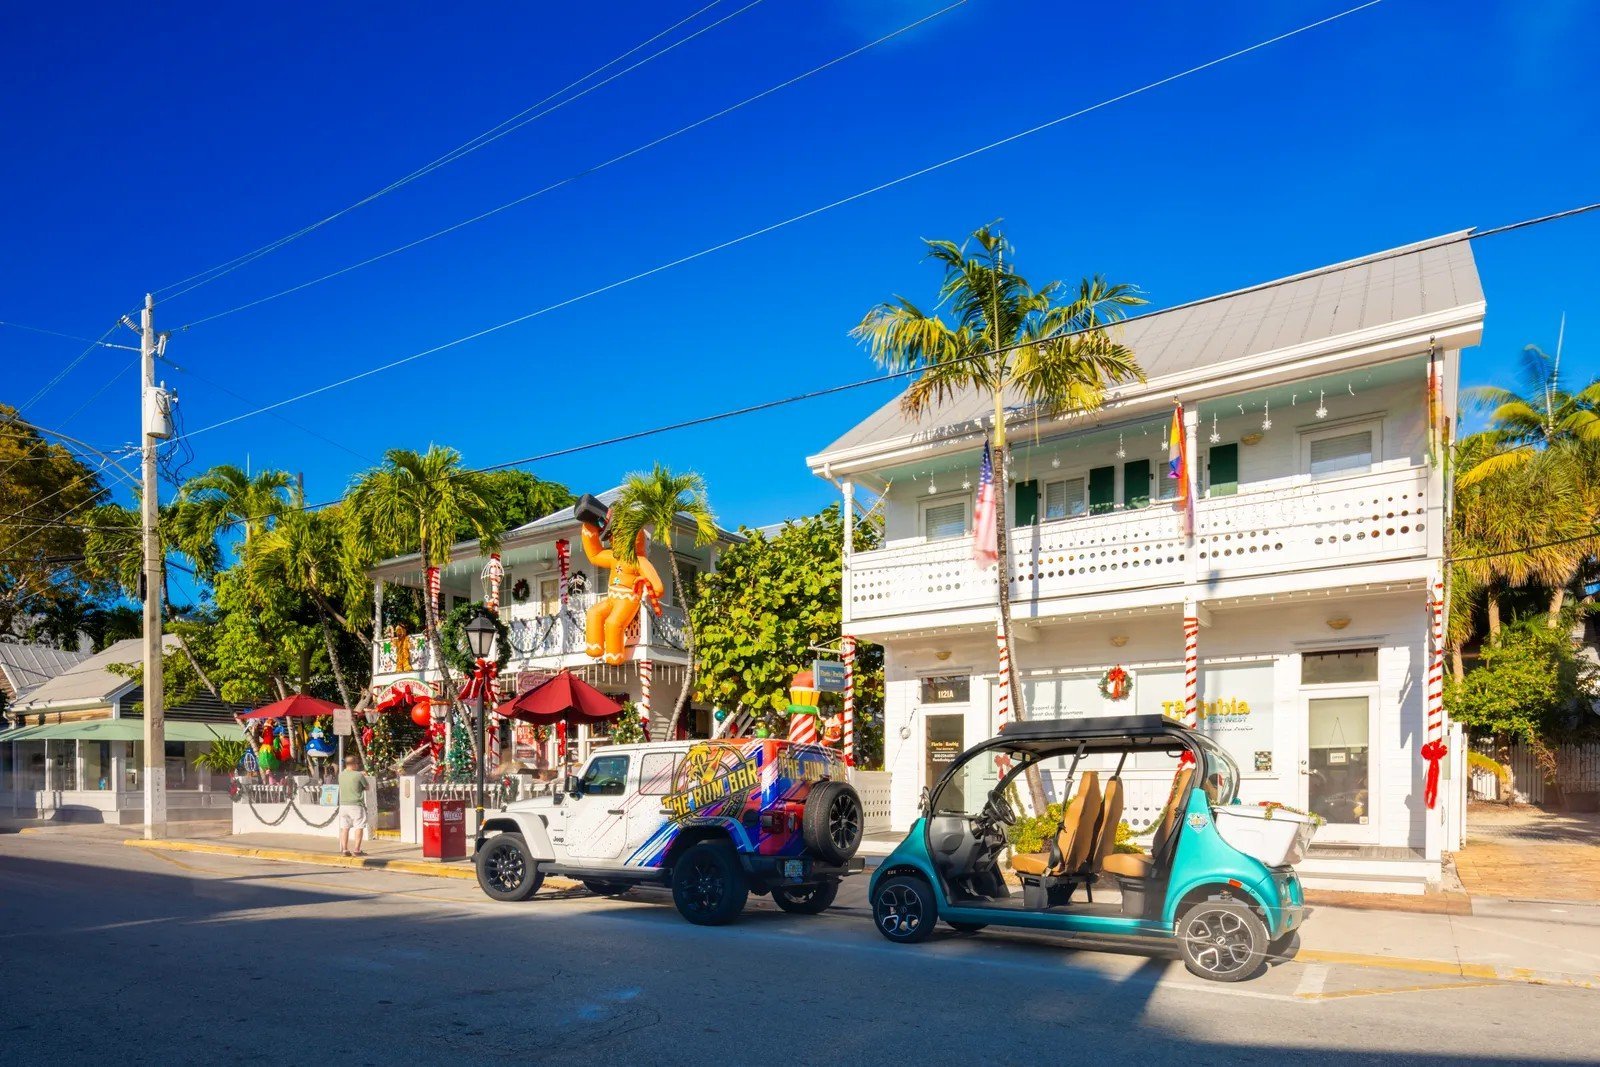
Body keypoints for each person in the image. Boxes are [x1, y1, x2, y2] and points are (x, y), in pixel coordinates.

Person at [336, 755, 370, 857]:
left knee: (344, 828)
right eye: (357, 764)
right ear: (354, 764)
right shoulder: (359, 775)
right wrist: (363, 775)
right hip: (356, 805)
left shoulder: (340, 775)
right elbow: (367, 787)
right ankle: (357, 849)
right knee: (359, 826)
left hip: (343, 805)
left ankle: (345, 849)